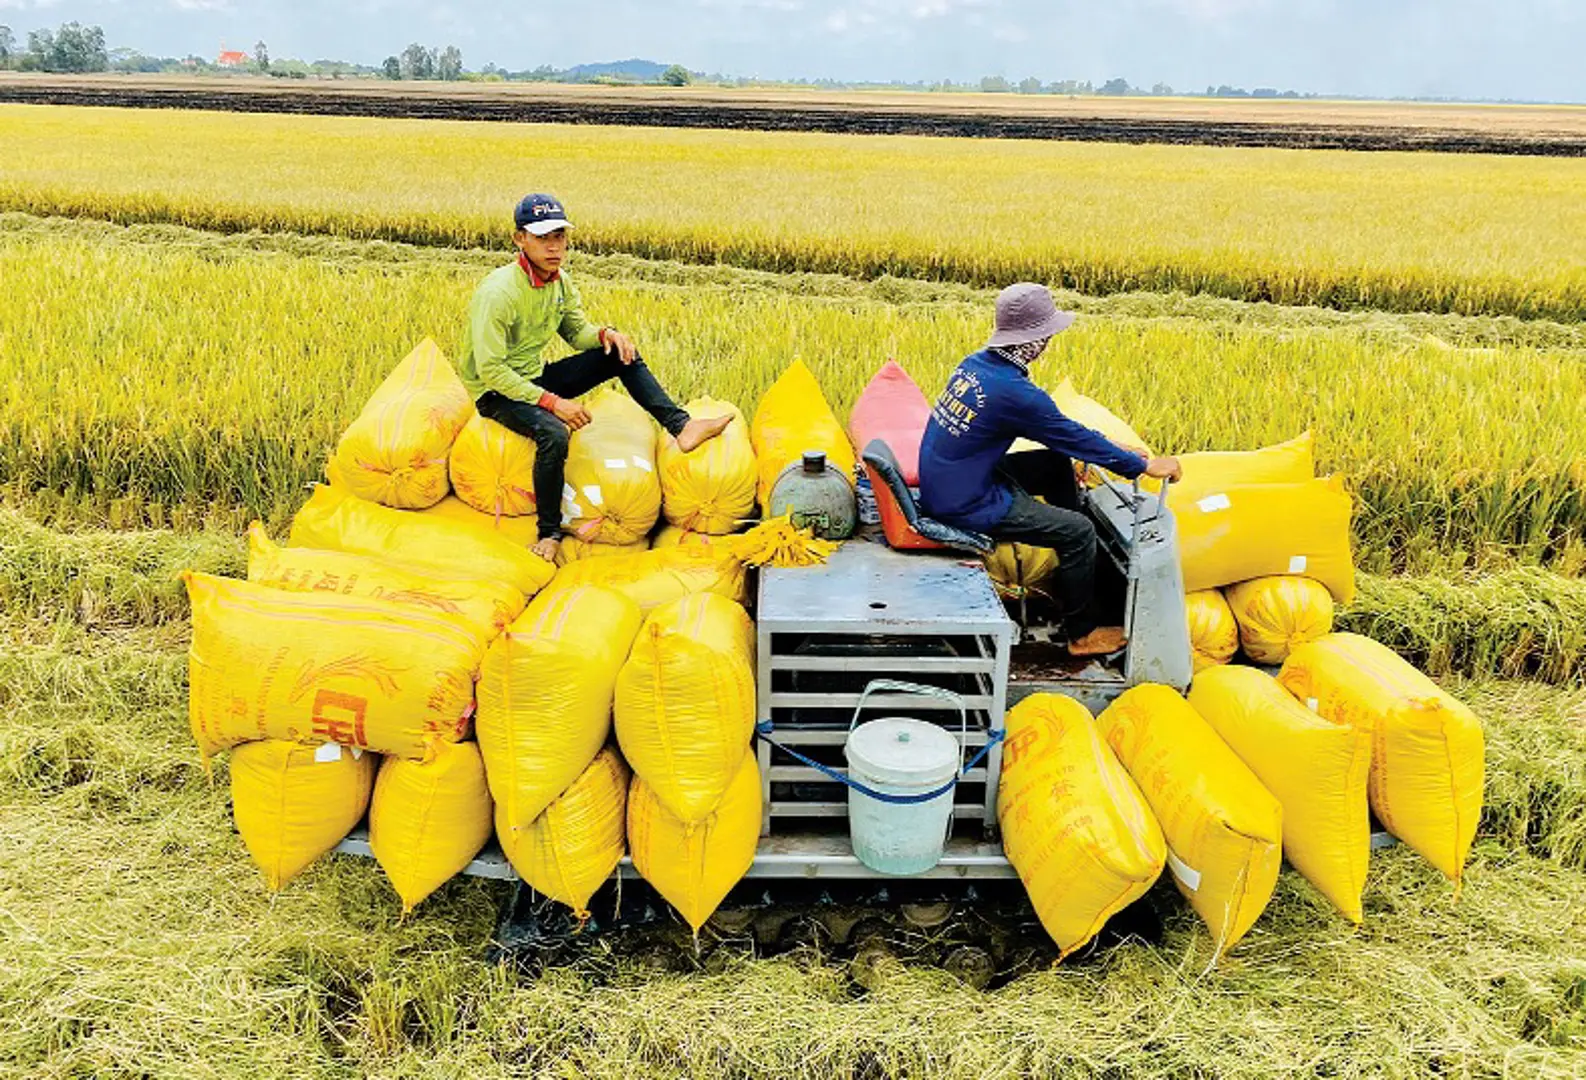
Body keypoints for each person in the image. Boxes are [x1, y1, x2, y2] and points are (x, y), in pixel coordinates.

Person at [456, 193, 731, 563]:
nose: (554, 247)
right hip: (496, 392)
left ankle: (681, 426)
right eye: (542, 238)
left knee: (619, 351)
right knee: (553, 433)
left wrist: (604, 334)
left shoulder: (560, 283)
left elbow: (575, 331)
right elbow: (491, 370)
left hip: (533, 378)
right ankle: (549, 532)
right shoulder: (498, 293)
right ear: (520, 239)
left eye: (559, 237)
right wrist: (553, 403)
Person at [918, 282, 1182, 658]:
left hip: (953, 477)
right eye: (1047, 334)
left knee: (1054, 463)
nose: (1049, 342)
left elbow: (1060, 433)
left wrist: (1117, 447)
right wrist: (1143, 465)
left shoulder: (976, 364)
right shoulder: (1014, 393)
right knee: (1079, 531)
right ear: (1035, 340)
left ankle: (1076, 575)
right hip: (964, 499)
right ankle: (1081, 633)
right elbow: (1064, 431)